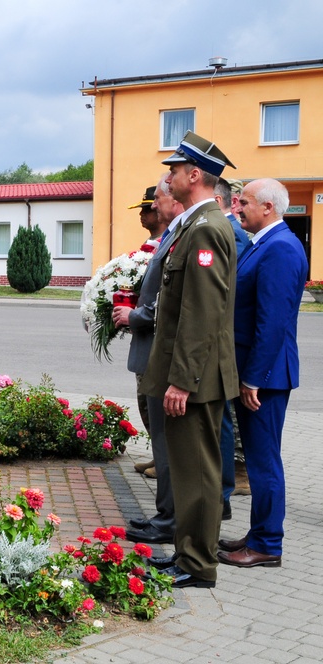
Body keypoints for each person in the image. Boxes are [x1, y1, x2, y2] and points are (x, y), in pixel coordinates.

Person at [139, 131, 240, 589]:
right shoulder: (196, 225)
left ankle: (198, 565)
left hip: (195, 379)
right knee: (186, 469)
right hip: (190, 375)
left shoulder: (206, 229)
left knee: (198, 473)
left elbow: (201, 314)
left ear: (194, 175)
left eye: (175, 170)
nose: (169, 177)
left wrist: (181, 381)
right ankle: (186, 554)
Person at [217, 178, 308, 569]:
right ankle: (258, 534)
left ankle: (268, 543)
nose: (238, 207)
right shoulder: (266, 243)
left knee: (263, 461)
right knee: (259, 458)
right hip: (260, 372)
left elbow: (272, 322)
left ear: (268, 207)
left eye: (245, 202)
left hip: (266, 378)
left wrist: (253, 377)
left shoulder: (281, 248)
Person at [115, 175, 179, 545]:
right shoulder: (172, 236)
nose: (147, 211)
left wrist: (137, 315)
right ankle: (167, 514)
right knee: (163, 441)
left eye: (152, 202)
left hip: (168, 356)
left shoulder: (189, 234)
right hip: (157, 349)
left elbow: (177, 303)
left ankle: (173, 519)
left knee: (172, 443)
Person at [122, 184, 168, 476]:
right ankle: (158, 454)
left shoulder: (166, 243)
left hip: (153, 331)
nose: (141, 215)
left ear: (157, 210)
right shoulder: (148, 245)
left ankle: (165, 460)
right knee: (144, 398)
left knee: (153, 398)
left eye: (145, 209)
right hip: (141, 327)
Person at [212, 178, 252, 520]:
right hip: (221, 340)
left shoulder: (231, 233)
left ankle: (222, 493)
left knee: (223, 419)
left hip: (225, 342)